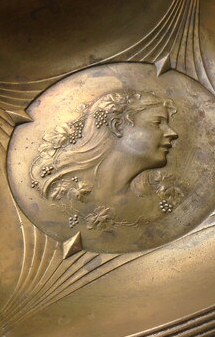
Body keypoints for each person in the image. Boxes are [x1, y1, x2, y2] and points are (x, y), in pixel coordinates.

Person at [29, 90, 182, 231]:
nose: (172, 133)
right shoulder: (60, 192)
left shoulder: (150, 205)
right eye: (158, 123)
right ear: (117, 126)